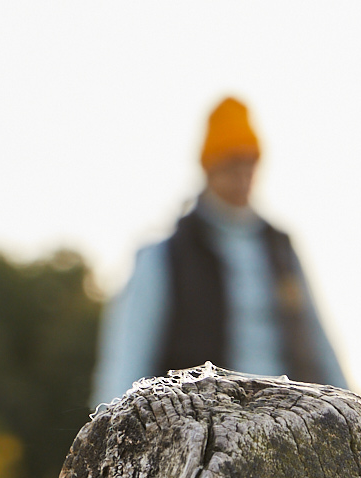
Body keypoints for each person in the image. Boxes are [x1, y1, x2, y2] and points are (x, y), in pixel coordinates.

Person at [93, 97, 345, 405]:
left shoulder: (282, 250)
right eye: (232, 164)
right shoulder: (164, 256)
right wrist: (110, 429)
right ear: (209, 169)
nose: (243, 176)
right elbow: (127, 360)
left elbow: (320, 343)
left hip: (293, 423)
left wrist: (355, 413)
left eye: (250, 163)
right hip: (199, 432)